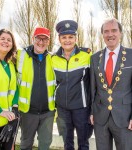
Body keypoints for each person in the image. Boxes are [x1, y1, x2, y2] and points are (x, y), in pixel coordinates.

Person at [90, 18, 132, 150]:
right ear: (102, 35)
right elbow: (92, 88)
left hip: (124, 118)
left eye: (114, 30)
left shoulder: (131, 55)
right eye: (106, 31)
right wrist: (91, 112)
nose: (110, 34)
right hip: (100, 117)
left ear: (120, 33)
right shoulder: (95, 58)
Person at [52, 20, 93, 150]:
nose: (67, 40)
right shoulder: (53, 59)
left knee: (83, 143)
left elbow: (93, 82)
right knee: (67, 143)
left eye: (70, 37)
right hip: (63, 110)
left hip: (81, 108)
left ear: (76, 38)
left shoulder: (86, 55)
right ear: (59, 39)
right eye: (64, 37)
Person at [16, 27, 56, 150]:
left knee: (45, 145)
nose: (41, 42)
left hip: (47, 112)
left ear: (49, 42)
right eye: (39, 38)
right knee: (26, 144)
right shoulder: (20, 55)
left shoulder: (53, 58)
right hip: (28, 112)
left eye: (45, 39)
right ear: (33, 38)